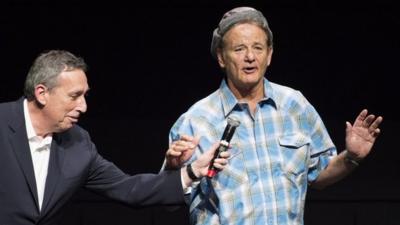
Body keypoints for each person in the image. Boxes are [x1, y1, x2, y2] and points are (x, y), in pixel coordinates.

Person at [164, 6, 383, 225]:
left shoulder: (294, 105)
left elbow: (319, 177)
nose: (250, 57)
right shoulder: (196, 120)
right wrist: (174, 168)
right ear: (221, 57)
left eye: (258, 48)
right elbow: (168, 204)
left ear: (269, 55)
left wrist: (352, 157)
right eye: (239, 49)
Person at [0, 49, 230, 225]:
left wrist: (191, 172)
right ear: (42, 93)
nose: (83, 106)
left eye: (85, 96)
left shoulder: (78, 144)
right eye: (74, 96)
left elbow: (129, 189)